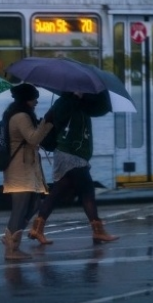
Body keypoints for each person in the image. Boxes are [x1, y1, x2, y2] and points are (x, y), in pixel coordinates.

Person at [28, 92, 118, 245]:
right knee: (87, 191)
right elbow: (54, 119)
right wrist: (74, 99)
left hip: (74, 155)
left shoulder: (84, 104)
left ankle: (37, 228)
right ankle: (98, 231)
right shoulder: (65, 103)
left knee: (56, 193)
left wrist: (85, 98)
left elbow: (100, 109)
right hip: (70, 154)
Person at [1, 83, 53, 260]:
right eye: (34, 98)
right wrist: (47, 123)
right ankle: (12, 249)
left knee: (34, 204)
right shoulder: (21, 116)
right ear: (26, 99)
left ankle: (11, 239)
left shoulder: (19, 114)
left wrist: (41, 124)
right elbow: (33, 138)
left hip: (25, 167)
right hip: (19, 169)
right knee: (20, 208)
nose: (36, 101)